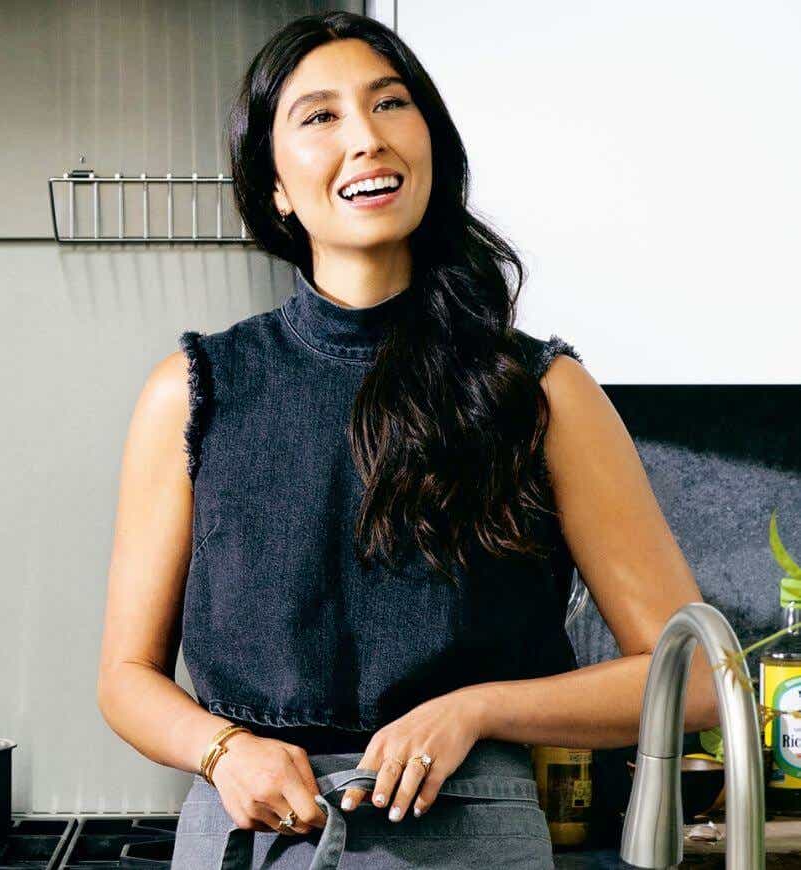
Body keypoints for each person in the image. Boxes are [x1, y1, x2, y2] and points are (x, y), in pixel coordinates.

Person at [95, 10, 720, 869]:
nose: (366, 138)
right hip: (251, 838)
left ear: (432, 144)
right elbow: (126, 678)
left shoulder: (540, 392)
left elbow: (689, 679)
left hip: (474, 836)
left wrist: (477, 709)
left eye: (390, 104)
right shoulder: (194, 393)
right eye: (319, 117)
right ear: (274, 186)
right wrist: (221, 750)